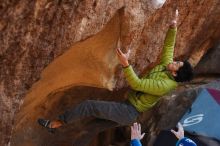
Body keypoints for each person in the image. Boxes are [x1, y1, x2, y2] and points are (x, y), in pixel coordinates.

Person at [38, 10, 193, 133]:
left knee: (89, 106)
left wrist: (126, 64)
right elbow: (168, 48)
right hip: (127, 109)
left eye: (176, 64)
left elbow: (137, 84)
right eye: (177, 61)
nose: (173, 61)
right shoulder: (167, 68)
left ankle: (55, 124)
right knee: (89, 128)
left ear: (175, 74)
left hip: (128, 111)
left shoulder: (165, 85)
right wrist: (173, 27)